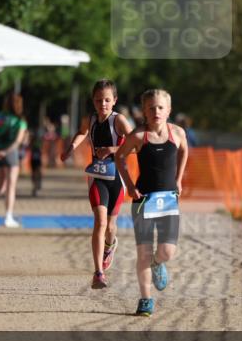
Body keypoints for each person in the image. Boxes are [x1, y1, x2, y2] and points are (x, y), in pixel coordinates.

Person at [116, 88, 189, 317]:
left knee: (167, 251)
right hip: (143, 200)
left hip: (168, 201)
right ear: (144, 112)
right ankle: (145, 299)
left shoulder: (177, 133)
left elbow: (184, 151)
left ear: (168, 110)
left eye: (160, 107)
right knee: (143, 253)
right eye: (151, 108)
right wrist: (129, 185)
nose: (156, 111)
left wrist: (178, 179)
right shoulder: (138, 136)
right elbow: (119, 157)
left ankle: (159, 263)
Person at [62, 80, 133, 289]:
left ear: (114, 101)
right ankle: (98, 273)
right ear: (93, 101)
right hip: (96, 177)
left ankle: (110, 246)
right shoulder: (90, 119)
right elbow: (82, 132)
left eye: (107, 100)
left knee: (111, 226)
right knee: (100, 222)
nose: (103, 104)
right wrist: (71, 147)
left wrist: (112, 150)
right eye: (98, 100)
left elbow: (136, 145)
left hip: (116, 178)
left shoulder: (119, 121)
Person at [0, 92, 28, 228]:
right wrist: (6, 151)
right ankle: (8, 216)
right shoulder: (20, 120)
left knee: (1, 185)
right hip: (11, 153)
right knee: (11, 186)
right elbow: (18, 141)